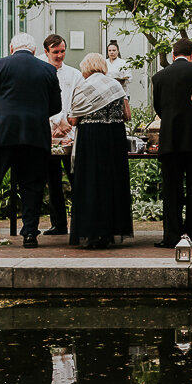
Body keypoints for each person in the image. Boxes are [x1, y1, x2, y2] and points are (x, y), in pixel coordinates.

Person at [0, 32, 60, 248]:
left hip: (2, 133)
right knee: (32, 186)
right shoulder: (48, 69)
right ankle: (30, 234)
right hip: (35, 135)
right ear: (34, 51)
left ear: (11, 48)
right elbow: (56, 106)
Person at [67, 53, 133, 249]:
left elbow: (73, 119)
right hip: (114, 138)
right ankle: (109, 231)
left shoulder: (83, 86)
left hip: (90, 139)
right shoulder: (115, 86)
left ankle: (91, 233)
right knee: (112, 183)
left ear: (86, 68)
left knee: (90, 183)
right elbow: (127, 115)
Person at [151, 37, 192, 249]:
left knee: (171, 189)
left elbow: (159, 108)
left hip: (170, 139)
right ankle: (190, 234)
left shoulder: (159, 77)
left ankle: (171, 236)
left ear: (173, 55)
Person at [40, 34, 80, 236]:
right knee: (53, 180)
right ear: (46, 52)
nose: (60, 55)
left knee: (75, 177)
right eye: (55, 52)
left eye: (62, 51)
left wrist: (66, 121)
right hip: (47, 132)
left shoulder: (74, 74)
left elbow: (78, 99)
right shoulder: (39, 71)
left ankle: (80, 221)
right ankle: (58, 223)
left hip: (70, 132)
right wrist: (55, 121)